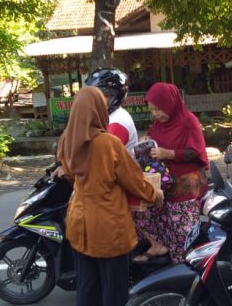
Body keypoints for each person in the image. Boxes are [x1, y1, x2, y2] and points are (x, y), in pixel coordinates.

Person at [57, 86, 164, 306]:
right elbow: (134, 181)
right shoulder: (108, 143)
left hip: (78, 222)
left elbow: (69, 175)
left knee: (87, 286)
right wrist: (155, 193)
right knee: (114, 289)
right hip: (108, 225)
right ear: (98, 110)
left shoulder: (67, 139)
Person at [132, 82, 209, 264]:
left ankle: (187, 273)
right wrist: (147, 142)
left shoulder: (188, 121)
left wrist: (168, 153)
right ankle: (164, 257)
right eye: (152, 110)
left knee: (181, 233)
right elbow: (155, 142)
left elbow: (196, 152)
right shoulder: (158, 124)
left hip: (185, 186)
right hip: (164, 184)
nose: (156, 114)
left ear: (170, 103)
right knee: (152, 218)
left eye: (159, 109)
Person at [84, 68, 139, 155]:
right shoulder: (108, 116)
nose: (95, 99)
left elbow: (101, 157)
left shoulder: (117, 123)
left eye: (103, 95)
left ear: (116, 97)